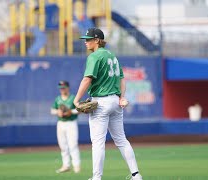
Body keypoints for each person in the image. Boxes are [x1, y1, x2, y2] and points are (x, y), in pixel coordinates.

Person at [73, 27, 142, 180]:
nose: (85, 42)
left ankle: (96, 178)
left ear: (97, 40)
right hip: (115, 102)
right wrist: (121, 97)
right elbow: (122, 79)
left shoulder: (95, 56)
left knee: (98, 143)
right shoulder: (112, 56)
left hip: (101, 102)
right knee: (121, 140)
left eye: (88, 39)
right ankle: (136, 175)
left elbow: (87, 79)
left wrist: (76, 100)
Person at [50, 81, 81, 173]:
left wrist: (71, 112)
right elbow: (52, 110)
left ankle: (76, 166)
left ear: (68, 87)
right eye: (61, 88)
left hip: (71, 123)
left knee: (73, 145)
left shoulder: (73, 98)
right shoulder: (58, 99)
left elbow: (80, 109)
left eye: (64, 87)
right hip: (61, 123)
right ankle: (66, 165)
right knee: (63, 145)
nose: (62, 89)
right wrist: (57, 112)